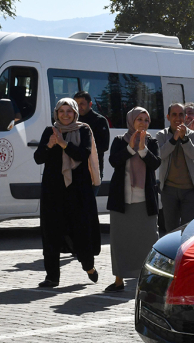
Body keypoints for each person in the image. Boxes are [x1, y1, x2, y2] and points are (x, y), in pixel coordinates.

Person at [33, 98, 101, 287]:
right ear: (56, 113)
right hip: (53, 190)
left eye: (69, 111)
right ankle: (52, 276)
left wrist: (63, 144)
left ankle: (88, 266)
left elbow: (83, 154)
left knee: (81, 230)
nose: (65, 115)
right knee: (51, 232)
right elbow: (38, 158)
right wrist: (49, 145)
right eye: (61, 111)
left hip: (78, 190)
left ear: (75, 113)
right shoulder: (50, 131)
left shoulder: (84, 130)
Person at [106, 107, 161, 292]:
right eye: (139, 119)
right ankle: (119, 280)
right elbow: (114, 161)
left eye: (146, 120)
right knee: (120, 241)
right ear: (131, 120)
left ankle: (149, 280)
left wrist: (143, 149)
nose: (143, 123)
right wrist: (130, 148)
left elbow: (155, 163)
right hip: (122, 200)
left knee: (148, 240)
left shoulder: (151, 142)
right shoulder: (119, 141)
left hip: (145, 201)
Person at [156, 103, 194, 232]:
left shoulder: (192, 135)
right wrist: (174, 139)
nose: (178, 118)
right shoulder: (161, 135)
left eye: (181, 114)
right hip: (169, 191)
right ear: (168, 117)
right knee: (171, 230)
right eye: (174, 115)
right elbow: (161, 155)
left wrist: (184, 138)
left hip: (190, 190)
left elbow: (193, 153)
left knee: (188, 230)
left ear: (185, 117)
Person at [74, 91, 110, 194]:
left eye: (82, 104)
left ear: (90, 104)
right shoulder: (73, 120)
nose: (79, 107)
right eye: (76, 104)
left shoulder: (99, 121)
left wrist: (83, 150)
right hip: (75, 169)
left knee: (88, 206)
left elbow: (104, 146)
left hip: (92, 170)